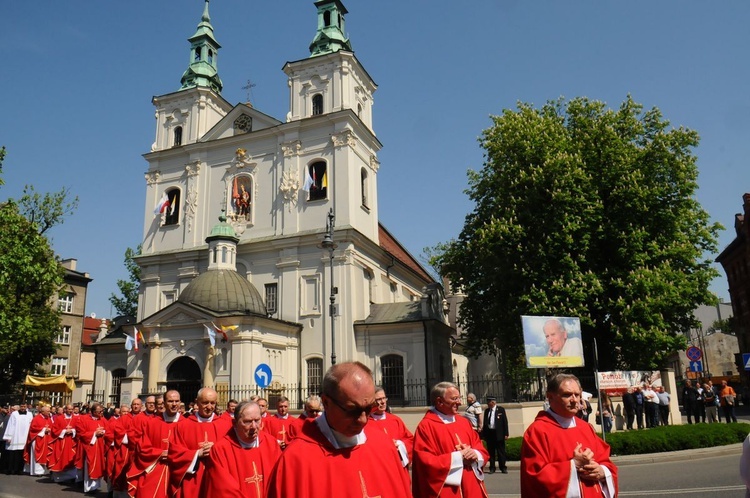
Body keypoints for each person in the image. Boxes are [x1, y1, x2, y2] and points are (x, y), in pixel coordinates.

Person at [267, 361, 412, 497]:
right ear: (326, 402)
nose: (363, 419)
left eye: (369, 409)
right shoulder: (296, 462)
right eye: (352, 410)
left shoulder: (383, 446)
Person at [521, 373, 618, 497]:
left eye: (577, 395)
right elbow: (534, 477)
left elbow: (605, 461)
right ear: (550, 397)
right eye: (567, 395)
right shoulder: (538, 431)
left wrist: (602, 471)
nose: (574, 400)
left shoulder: (585, 427)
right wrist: (573, 465)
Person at [412, 381, 489, 498]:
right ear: (439, 401)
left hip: (471, 485)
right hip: (447, 490)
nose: (459, 402)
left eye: (459, 398)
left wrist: (475, 454)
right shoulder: (426, 426)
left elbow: (479, 447)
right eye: (454, 399)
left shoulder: (463, 422)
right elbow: (425, 462)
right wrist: (459, 457)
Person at [200, 401, 282, 497]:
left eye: (257, 420)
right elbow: (222, 490)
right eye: (247, 421)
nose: (254, 426)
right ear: (234, 423)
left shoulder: (271, 444)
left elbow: (281, 479)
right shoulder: (221, 450)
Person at [169, 387, 232, 498]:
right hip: (193, 479)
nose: (209, 407)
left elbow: (234, 450)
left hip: (218, 479)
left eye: (212, 403)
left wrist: (217, 448)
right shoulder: (183, 426)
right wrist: (197, 454)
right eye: (205, 403)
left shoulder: (226, 425)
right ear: (197, 402)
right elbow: (175, 453)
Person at [128, 390, 185, 498]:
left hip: (178, 471)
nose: (174, 404)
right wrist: (160, 453)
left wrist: (175, 454)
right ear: (163, 403)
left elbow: (191, 450)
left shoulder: (186, 424)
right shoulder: (152, 423)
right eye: (170, 401)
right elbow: (142, 448)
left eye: (177, 401)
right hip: (154, 470)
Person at [368, 387, 413, 470]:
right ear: (372, 402)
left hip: (398, 466)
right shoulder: (366, 423)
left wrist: (400, 444)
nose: (383, 402)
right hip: (379, 467)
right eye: (378, 399)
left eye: (384, 398)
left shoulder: (395, 420)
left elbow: (410, 440)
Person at [77, 402, 110, 493]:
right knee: (90, 465)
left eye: (101, 411)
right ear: (93, 412)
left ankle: (95, 486)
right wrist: (94, 433)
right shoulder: (84, 419)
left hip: (100, 447)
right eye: (99, 412)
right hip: (90, 447)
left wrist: (104, 432)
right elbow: (81, 433)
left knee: (99, 466)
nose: (101, 413)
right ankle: (89, 487)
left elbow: (108, 430)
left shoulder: (103, 420)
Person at [3, 403, 33, 475]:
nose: (23, 408)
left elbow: (31, 425)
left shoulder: (29, 414)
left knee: (21, 454)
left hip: (25, 437)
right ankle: (11, 469)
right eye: (22, 406)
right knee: (13, 454)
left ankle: (20, 470)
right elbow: (10, 425)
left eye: (24, 406)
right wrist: (9, 436)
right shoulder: (14, 414)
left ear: (26, 407)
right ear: (19, 407)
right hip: (15, 436)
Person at [482, 395, 509, 474]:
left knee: (501, 451)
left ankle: (503, 467)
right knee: (491, 452)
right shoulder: (487, 411)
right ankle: (492, 468)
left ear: (493, 402)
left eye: (489, 402)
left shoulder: (500, 410)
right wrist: (484, 434)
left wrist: (506, 433)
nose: (488, 404)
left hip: (499, 433)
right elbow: (485, 423)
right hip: (490, 433)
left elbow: (505, 422)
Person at [24, 404, 53, 476]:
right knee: (36, 455)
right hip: (37, 439)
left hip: (46, 439)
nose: (49, 413)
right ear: (42, 412)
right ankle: (36, 471)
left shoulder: (49, 419)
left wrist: (50, 429)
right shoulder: (36, 418)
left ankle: (41, 471)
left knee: (44, 455)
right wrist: (44, 429)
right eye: (48, 411)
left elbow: (52, 427)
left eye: (49, 411)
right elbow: (33, 428)